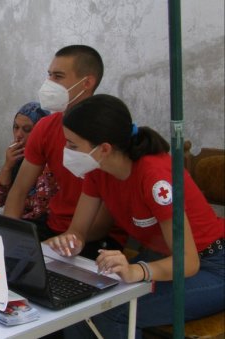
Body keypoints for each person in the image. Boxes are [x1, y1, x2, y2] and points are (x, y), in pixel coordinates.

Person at [47, 94, 225, 338]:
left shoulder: (155, 178)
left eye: (73, 145)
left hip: (210, 266)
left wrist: (136, 271)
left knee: (114, 310)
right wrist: (68, 243)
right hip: (163, 259)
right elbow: (78, 232)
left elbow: (188, 262)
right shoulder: (98, 169)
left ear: (105, 148)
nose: (66, 151)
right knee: (78, 303)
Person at [4, 45, 125, 259]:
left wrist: (65, 242)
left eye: (58, 77)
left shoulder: (108, 131)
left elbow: (104, 219)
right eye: (49, 75)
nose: (49, 84)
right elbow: (19, 190)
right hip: (52, 227)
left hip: (95, 239)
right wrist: (11, 237)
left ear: (87, 83)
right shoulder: (45, 127)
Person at [0, 102, 58, 221]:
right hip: (15, 222)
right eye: (16, 127)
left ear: (42, 133)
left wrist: (12, 200)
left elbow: (39, 209)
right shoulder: (17, 157)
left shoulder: (50, 163)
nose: (19, 135)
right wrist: (7, 167)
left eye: (27, 129)